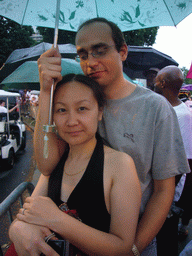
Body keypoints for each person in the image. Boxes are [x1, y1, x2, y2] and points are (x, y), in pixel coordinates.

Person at [11, 18, 190, 256]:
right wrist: (46, 91)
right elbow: (48, 166)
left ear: (123, 51)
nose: (90, 62)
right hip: (73, 236)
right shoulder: (76, 101)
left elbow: (163, 191)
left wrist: (133, 248)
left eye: (100, 50)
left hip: (133, 238)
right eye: (83, 54)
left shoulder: (155, 108)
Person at [9, 74, 141, 256]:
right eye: (61, 110)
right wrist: (16, 229)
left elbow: (121, 247)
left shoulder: (120, 165)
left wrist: (57, 219)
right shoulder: (54, 162)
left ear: (100, 111)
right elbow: (25, 216)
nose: (72, 121)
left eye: (82, 108)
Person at [154, 65, 192, 256]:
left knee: (164, 240)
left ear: (162, 83)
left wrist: (169, 197)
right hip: (156, 185)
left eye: (157, 78)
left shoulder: (183, 115)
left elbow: (184, 160)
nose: (153, 82)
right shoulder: (162, 108)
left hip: (168, 190)